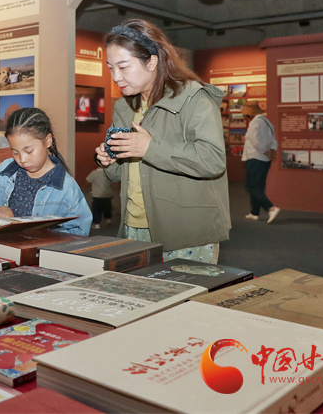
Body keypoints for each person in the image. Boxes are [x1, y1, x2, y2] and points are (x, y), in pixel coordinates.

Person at [94, 18, 230, 263]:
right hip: (133, 228)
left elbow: (213, 160)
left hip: (184, 234)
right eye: (110, 68)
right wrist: (109, 160)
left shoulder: (193, 98)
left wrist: (150, 148)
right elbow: (118, 175)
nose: (115, 76)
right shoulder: (124, 107)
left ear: (152, 62)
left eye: (123, 67)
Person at [0, 107, 91, 236]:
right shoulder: (4, 171)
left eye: (29, 151)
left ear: (47, 141)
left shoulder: (67, 188)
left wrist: (46, 237)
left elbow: (79, 231)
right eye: (15, 152)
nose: (22, 159)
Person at [241, 100, 280, 223]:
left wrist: (265, 151)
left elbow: (255, 141)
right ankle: (254, 212)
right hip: (264, 160)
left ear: (249, 114)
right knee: (259, 186)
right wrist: (271, 151)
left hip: (255, 158)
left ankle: (271, 208)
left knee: (251, 185)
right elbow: (274, 140)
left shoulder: (254, 123)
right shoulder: (267, 122)